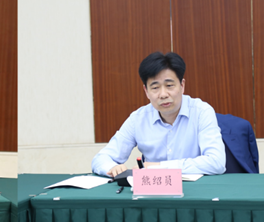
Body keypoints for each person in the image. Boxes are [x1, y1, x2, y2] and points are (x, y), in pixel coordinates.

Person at [91, 52, 225, 177]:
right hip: (153, 190)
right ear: (146, 91)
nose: (163, 94)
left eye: (169, 85)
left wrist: (159, 167)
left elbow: (217, 162)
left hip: (195, 189)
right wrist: (113, 168)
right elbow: (100, 159)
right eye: (155, 88)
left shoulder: (202, 112)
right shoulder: (138, 119)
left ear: (182, 85)